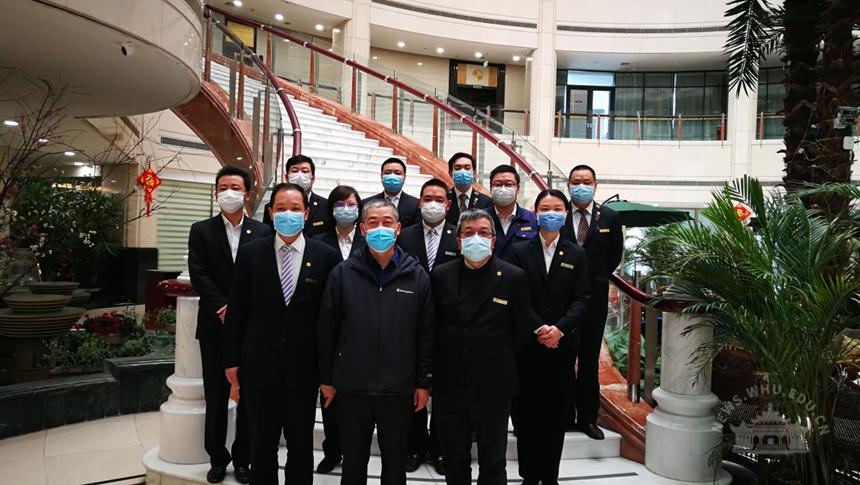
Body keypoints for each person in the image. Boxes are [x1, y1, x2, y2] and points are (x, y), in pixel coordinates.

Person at [223, 182, 341, 485]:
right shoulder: (251, 253)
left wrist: (329, 372)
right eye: (281, 208)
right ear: (271, 213)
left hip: (304, 369)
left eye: (295, 208)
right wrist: (231, 361)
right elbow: (237, 311)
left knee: (301, 445)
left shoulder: (326, 256)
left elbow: (332, 319)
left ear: (307, 213)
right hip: (258, 366)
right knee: (261, 444)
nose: (288, 214)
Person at [318, 199, 434, 485]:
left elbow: (426, 333)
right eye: (372, 222)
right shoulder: (343, 273)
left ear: (398, 229)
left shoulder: (417, 276)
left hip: (398, 388)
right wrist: (327, 379)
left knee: (395, 464)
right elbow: (327, 329)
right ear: (362, 229)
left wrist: (422, 382)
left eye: (386, 222)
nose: (380, 228)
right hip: (351, 386)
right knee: (353, 463)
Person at [430, 208, 535, 485]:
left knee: (493, 461)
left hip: (494, 384)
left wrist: (492, 352)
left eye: (483, 232)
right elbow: (433, 325)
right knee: (454, 458)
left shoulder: (513, 276)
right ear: (459, 241)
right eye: (469, 233)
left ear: (493, 239)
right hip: (450, 383)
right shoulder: (440, 275)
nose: (476, 237)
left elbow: (521, 328)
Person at [188, 166, 270, 484]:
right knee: (216, 393)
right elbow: (199, 273)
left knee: (248, 395)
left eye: (235, 187)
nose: (229, 193)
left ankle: (243, 459)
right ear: (216, 193)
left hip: (251, 328)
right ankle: (217, 458)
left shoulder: (262, 232)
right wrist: (222, 308)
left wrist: (242, 312)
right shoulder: (201, 230)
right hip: (214, 324)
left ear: (247, 194)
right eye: (223, 187)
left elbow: (264, 277)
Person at [509, 189, 590, 485]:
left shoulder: (577, 253)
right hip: (528, 345)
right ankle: (530, 475)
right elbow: (516, 297)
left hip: (562, 346)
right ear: (536, 212)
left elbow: (583, 298)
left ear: (566, 214)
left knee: (556, 413)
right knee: (527, 413)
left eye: (557, 208)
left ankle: (550, 476)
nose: (551, 213)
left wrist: (559, 329)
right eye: (545, 208)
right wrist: (540, 328)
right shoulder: (519, 251)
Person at [396, 178, 459, 474]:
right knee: (414, 387)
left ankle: (441, 449)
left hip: (449, 323)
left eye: (439, 199)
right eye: (428, 199)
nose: (433, 204)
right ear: (419, 203)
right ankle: (415, 445)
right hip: (411, 320)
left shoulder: (459, 235)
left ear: (448, 205)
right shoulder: (405, 236)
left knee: (445, 391)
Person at [559, 164, 623, 440]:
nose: (581, 186)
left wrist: (594, 279)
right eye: (576, 181)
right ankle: (563, 416)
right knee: (562, 359)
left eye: (586, 181)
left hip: (594, 299)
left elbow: (614, 255)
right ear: (568, 185)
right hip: (562, 298)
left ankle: (587, 419)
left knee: (588, 360)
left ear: (595, 185)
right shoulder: (558, 213)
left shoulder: (609, 216)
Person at [310, 185, 365, 474]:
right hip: (328, 325)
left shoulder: (369, 240)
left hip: (360, 327)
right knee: (329, 393)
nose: (346, 209)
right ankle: (332, 451)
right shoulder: (318, 242)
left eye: (351, 204)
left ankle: (355, 452)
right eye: (340, 204)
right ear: (331, 209)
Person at [262, 154, 329, 238]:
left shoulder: (326, 206)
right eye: (294, 171)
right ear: (287, 177)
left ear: (313, 178)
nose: (299, 175)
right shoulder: (272, 207)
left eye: (305, 171)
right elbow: (268, 236)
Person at [486, 165, 537, 261]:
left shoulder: (531, 219)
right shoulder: (481, 218)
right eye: (498, 185)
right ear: (491, 188)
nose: (503, 189)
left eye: (509, 185)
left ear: (518, 188)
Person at [363, 157, 420, 227]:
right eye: (388, 173)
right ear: (381, 176)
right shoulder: (367, 203)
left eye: (397, 173)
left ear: (404, 178)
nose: (392, 176)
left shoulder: (415, 204)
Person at [445, 152, 491, 226]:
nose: (463, 172)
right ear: (450, 173)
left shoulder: (486, 201)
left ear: (474, 173)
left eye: (467, 168)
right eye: (458, 168)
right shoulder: (444, 199)